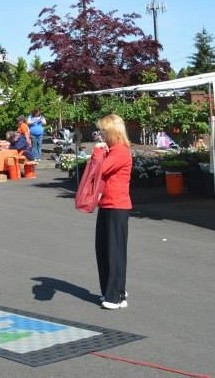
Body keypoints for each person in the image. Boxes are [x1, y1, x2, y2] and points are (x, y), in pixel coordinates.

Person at [95, 114, 133, 310]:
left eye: (103, 131)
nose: (101, 135)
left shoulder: (119, 152)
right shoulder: (114, 151)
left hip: (116, 205)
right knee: (104, 249)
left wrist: (97, 152)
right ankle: (114, 291)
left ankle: (115, 295)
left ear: (112, 132)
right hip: (108, 204)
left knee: (114, 252)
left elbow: (99, 170)